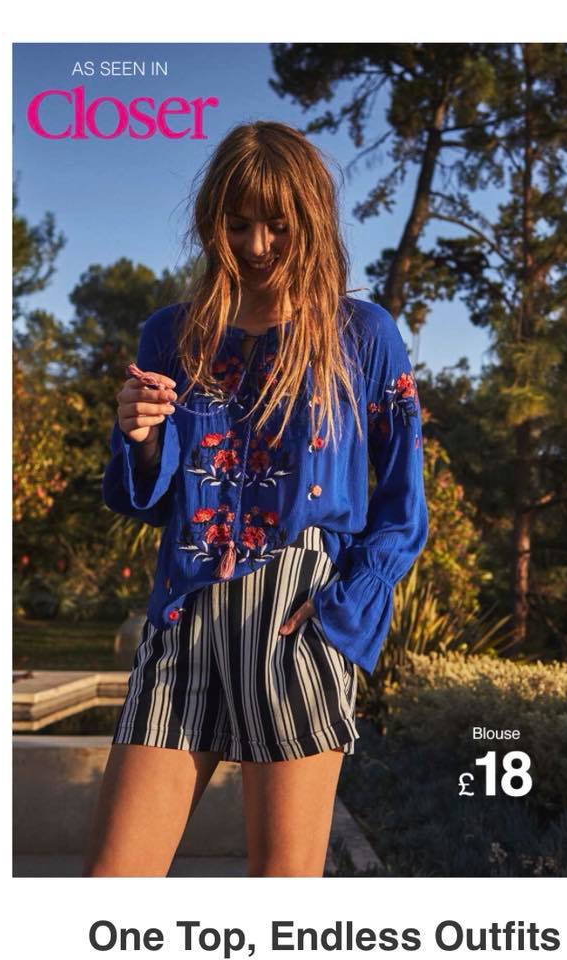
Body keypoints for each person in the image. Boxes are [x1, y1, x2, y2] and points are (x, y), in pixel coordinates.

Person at [82, 120, 429, 878]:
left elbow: (404, 503)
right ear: (213, 222)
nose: (258, 245)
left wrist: (344, 610)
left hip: (297, 617)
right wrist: (141, 435)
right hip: (184, 615)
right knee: (110, 886)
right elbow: (150, 499)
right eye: (238, 224)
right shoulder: (171, 335)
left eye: (278, 224)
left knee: (280, 892)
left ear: (312, 222)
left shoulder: (361, 336)